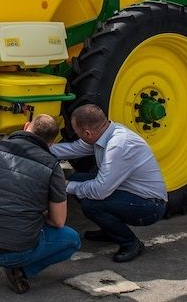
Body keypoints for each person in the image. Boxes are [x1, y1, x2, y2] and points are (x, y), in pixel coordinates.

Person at [0, 114, 81, 294]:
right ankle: (19, 271)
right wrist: (36, 212)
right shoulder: (52, 166)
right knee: (72, 240)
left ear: (25, 127)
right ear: (51, 144)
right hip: (17, 252)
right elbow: (58, 221)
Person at [50, 104, 167, 263]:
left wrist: (64, 185)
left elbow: (100, 191)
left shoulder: (118, 144)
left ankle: (131, 243)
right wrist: (37, 149)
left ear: (87, 133)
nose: (77, 136)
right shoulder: (105, 132)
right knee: (79, 181)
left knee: (91, 204)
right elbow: (74, 148)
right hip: (127, 191)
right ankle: (110, 230)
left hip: (150, 205)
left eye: (77, 133)